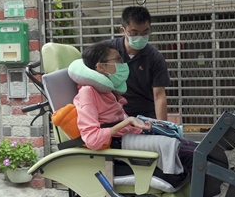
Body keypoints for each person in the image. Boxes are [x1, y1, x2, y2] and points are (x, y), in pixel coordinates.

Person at [69, 41, 195, 177]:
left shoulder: (108, 90)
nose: (123, 64)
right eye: (117, 60)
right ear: (101, 67)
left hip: (129, 136)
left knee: (196, 148)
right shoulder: (88, 93)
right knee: (191, 155)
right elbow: (92, 139)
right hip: (117, 144)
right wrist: (128, 122)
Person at [107, 6, 170, 120]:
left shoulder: (155, 58)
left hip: (144, 116)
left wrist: (162, 126)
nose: (140, 37)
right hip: (113, 115)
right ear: (123, 30)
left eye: (145, 32)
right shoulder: (107, 50)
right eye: (134, 33)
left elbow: (159, 95)